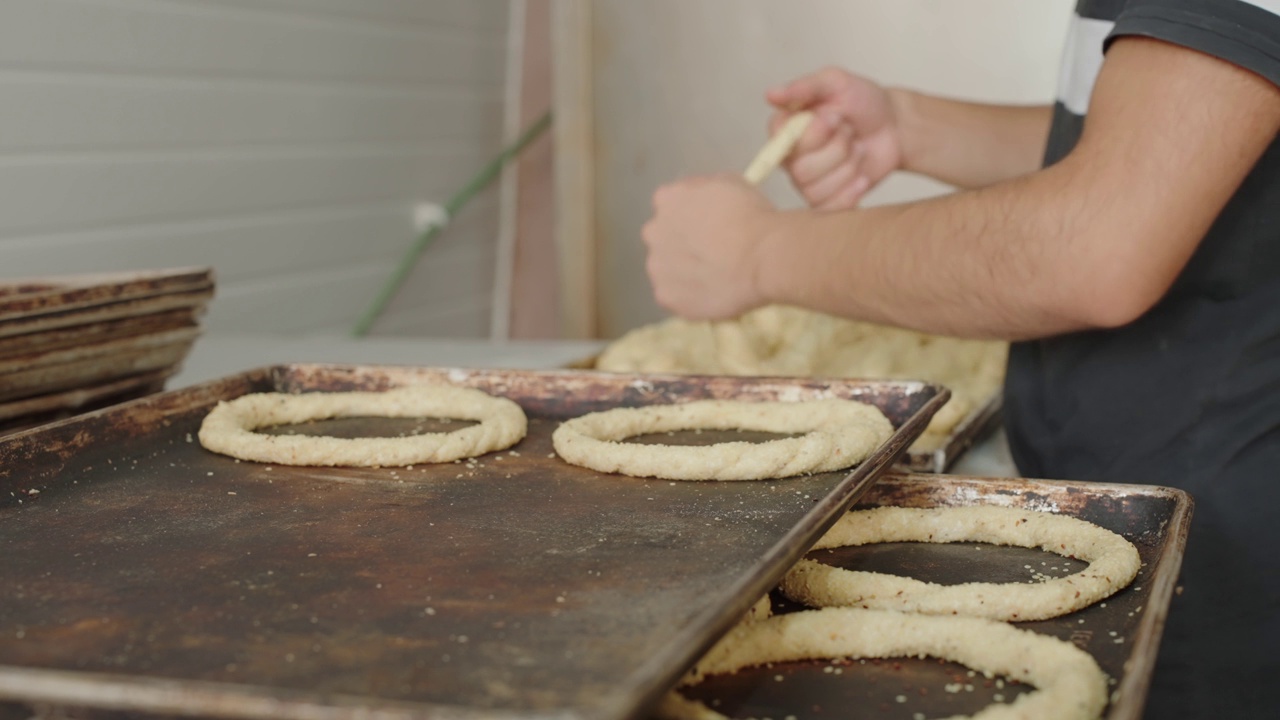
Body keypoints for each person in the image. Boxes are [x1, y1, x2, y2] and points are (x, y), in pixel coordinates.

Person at [641, 2, 1280, 718]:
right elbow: (1166, 139)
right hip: (1157, 505)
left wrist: (755, 255)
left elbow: (1094, 248)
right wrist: (910, 126)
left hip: (1231, 565)